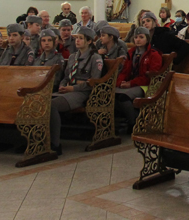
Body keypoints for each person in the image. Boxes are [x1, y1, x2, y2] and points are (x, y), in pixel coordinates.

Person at [50, 26, 104, 155]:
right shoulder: (73, 57)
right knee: (40, 101)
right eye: (76, 38)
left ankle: (55, 144)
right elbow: (66, 76)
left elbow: (93, 82)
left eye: (81, 38)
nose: (77, 41)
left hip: (82, 93)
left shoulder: (95, 58)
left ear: (89, 41)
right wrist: (62, 86)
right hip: (68, 90)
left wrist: (73, 88)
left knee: (52, 106)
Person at [116, 26, 163, 130]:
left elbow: (150, 76)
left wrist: (131, 83)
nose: (138, 40)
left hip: (145, 85)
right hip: (132, 83)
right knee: (113, 95)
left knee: (123, 97)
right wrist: (120, 82)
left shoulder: (153, 54)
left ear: (147, 38)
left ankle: (134, 123)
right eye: (136, 37)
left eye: (141, 37)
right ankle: (127, 119)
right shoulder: (131, 52)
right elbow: (125, 71)